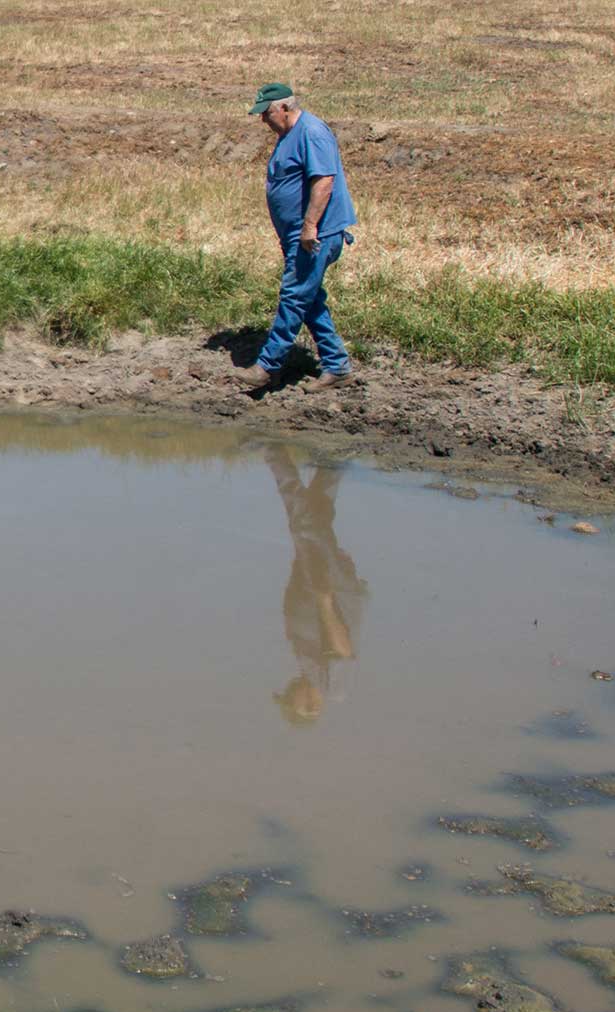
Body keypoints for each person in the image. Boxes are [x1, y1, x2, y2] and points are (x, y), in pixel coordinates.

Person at [245, 83, 357, 391]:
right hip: (297, 234)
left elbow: (324, 182)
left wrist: (309, 227)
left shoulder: (312, 132)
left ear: (283, 108)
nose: (263, 121)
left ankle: (268, 366)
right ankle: (337, 366)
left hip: (316, 234)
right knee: (309, 299)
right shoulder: (288, 135)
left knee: (294, 296)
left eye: (266, 113)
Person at [267, 446, 365, 725]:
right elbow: (344, 651)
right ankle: (272, 451)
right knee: (306, 527)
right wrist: (325, 601)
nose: (288, 690)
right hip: (328, 587)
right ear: (308, 706)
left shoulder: (312, 674)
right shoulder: (333, 689)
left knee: (313, 522)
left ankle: (331, 461)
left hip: (312, 583)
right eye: (290, 698)